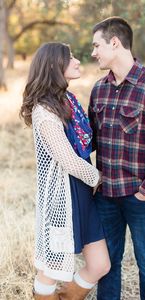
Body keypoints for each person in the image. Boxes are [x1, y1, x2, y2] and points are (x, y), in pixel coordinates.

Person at [88, 17, 145, 300]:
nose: (93, 53)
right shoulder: (99, 89)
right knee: (108, 264)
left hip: (142, 196)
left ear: (115, 43)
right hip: (106, 195)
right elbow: (90, 139)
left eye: (97, 45)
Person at [20, 42, 110, 300]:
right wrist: (98, 178)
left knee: (100, 264)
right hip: (62, 195)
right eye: (70, 58)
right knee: (51, 270)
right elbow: (67, 160)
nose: (78, 61)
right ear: (54, 66)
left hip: (83, 191)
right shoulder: (44, 110)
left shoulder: (67, 100)